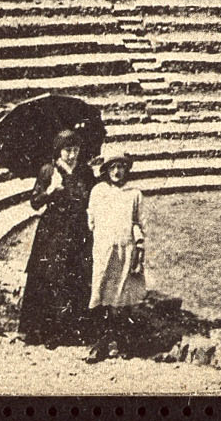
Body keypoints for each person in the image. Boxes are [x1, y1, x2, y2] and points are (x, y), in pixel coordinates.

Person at [17, 128, 95, 347]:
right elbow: (35, 202)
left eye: (75, 149)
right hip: (52, 232)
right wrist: (51, 190)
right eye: (67, 150)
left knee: (76, 277)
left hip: (78, 231)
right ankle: (46, 331)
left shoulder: (85, 172)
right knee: (49, 278)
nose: (71, 154)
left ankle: (71, 331)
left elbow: (93, 198)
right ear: (58, 151)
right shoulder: (48, 171)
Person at [85, 152, 147, 361]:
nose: (117, 172)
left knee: (122, 296)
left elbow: (139, 223)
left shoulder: (134, 194)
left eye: (120, 167)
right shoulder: (99, 192)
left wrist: (138, 246)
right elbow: (91, 220)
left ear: (126, 170)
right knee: (101, 293)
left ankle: (121, 342)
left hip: (126, 249)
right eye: (112, 167)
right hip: (104, 250)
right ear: (106, 170)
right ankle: (100, 343)